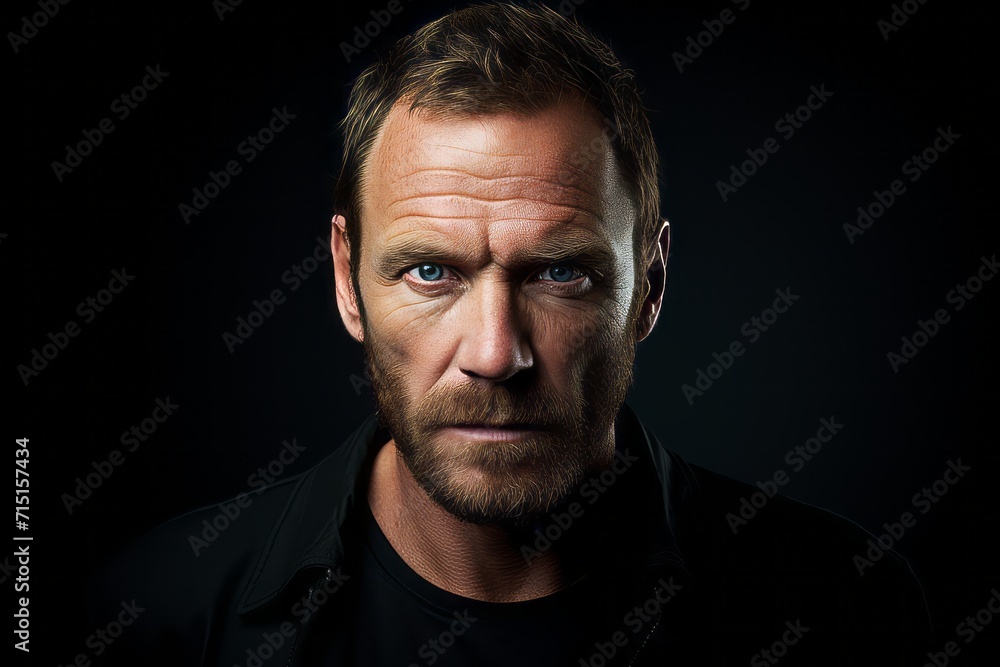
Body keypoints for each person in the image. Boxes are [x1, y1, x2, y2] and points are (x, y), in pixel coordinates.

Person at [90, 3, 931, 664]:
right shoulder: (162, 612)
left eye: (559, 273)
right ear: (347, 280)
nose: (495, 353)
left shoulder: (844, 606)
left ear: (652, 283)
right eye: (430, 272)